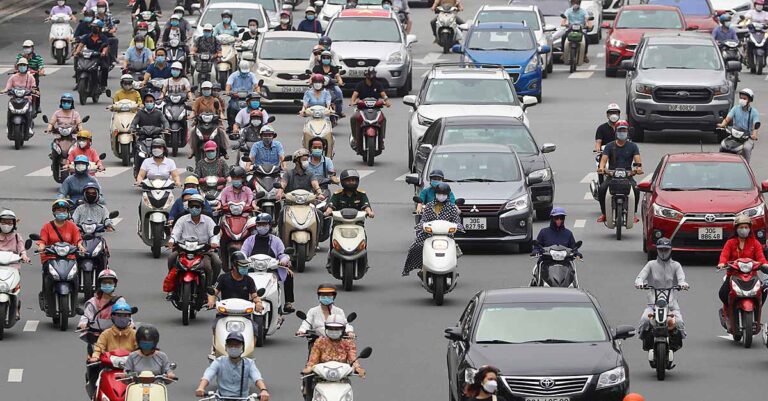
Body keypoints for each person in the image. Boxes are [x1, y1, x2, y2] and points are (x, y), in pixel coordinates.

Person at [634, 237, 688, 352]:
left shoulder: (676, 265)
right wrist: (639, 283)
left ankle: (676, 343)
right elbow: (640, 277)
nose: (663, 252)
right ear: (657, 250)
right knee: (644, 320)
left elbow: (681, 278)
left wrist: (682, 284)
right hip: (653, 305)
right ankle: (645, 341)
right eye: (661, 250)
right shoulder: (651, 264)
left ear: (670, 250)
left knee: (678, 323)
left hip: (671, 305)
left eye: (666, 250)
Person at [402, 183, 462, 276]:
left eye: (443, 194)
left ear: (447, 195)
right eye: (439, 193)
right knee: (415, 246)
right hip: (428, 234)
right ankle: (422, 267)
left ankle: (453, 267)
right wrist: (420, 226)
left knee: (454, 248)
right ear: (435, 194)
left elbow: (457, 221)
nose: (441, 196)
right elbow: (423, 220)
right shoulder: (429, 206)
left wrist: (457, 227)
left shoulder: (452, 208)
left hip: (446, 235)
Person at [207, 251, 265, 344]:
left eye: (245, 265)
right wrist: (211, 302)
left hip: (244, 314)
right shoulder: (223, 278)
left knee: (255, 329)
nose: (244, 268)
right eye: (242, 265)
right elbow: (213, 292)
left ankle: (249, 353)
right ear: (234, 266)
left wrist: (258, 303)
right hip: (225, 313)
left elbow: (255, 295)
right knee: (215, 326)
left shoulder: (249, 280)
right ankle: (215, 349)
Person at [166, 194, 221, 291]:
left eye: (197, 206)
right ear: (188, 207)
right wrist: (171, 241)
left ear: (202, 208)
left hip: (203, 251)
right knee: (171, 258)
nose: (194, 208)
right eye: (192, 206)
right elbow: (175, 233)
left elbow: (214, 234)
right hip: (183, 250)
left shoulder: (208, 220)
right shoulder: (182, 220)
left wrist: (214, 242)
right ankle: (173, 284)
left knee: (215, 263)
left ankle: (209, 286)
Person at [38, 200, 85, 313]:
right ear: (54, 212)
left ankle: (75, 302)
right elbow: (42, 240)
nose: (61, 213)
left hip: (69, 258)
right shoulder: (47, 227)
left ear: (68, 212)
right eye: (59, 210)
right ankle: (46, 298)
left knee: (74, 277)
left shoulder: (72, 226)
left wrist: (80, 246)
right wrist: (41, 246)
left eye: (64, 211)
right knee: (47, 277)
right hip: (51, 258)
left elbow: (78, 239)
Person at [240, 214, 295, 311]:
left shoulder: (276, 240)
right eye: (259, 224)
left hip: (271, 269)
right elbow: (243, 253)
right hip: (252, 269)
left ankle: (288, 303)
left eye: (264, 224)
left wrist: (283, 260)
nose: (261, 227)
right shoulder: (249, 240)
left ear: (269, 225)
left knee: (289, 273)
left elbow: (282, 254)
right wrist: (241, 259)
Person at [195, 332, 271, 400]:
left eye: (237, 345)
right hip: (222, 398)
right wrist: (201, 388)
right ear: (226, 347)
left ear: (242, 347)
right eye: (230, 345)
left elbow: (257, 378)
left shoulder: (249, 363)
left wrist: (263, 390)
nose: (233, 347)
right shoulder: (219, 362)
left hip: (243, 399)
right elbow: (208, 375)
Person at [302, 315, 364, 397]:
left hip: (342, 379)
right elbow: (313, 359)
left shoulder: (348, 343)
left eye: (337, 329)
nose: (334, 331)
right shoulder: (320, 342)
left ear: (343, 329)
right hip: (322, 378)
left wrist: (358, 368)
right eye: (331, 328)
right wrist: (309, 367)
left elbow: (353, 359)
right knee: (309, 387)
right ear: (326, 328)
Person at [596, 120, 642, 223]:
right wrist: (602, 168)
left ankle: (633, 214)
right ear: (616, 132)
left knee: (636, 189)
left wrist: (638, 169)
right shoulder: (609, 146)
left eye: (624, 130)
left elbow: (638, 161)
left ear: (627, 132)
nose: (622, 132)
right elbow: (603, 160)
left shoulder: (633, 146)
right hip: (612, 175)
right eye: (620, 130)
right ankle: (604, 213)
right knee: (602, 189)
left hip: (628, 175)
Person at [717, 215, 768, 306]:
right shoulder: (730, 242)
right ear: (736, 229)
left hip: (751, 276)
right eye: (741, 227)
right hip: (733, 275)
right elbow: (724, 255)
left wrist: (764, 264)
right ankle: (729, 313)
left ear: (749, 229)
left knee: (763, 291)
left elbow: (761, 257)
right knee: (723, 294)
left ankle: (756, 316)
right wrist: (722, 263)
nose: (744, 229)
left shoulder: (755, 243)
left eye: (746, 227)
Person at [348, 67, 389, 153]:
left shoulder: (378, 84)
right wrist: (352, 102)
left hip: (376, 109)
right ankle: (355, 139)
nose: (372, 76)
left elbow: (383, 94)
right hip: (362, 108)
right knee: (353, 118)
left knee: (383, 119)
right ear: (366, 75)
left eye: (373, 74)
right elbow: (354, 95)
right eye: (370, 74)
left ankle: (381, 140)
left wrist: (386, 101)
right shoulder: (360, 85)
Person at [718, 88, 760, 162]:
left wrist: (754, 134)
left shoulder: (754, 112)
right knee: (723, 145)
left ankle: (746, 167)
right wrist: (722, 124)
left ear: (749, 100)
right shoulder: (735, 108)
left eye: (744, 98)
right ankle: (720, 163)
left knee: (746, 148)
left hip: (747, 137)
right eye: (741, 98)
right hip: (734, 135)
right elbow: (727, 118)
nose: (742, 100)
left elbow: (755, 125)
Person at [2, 58, 38, 137]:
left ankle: (28, 127)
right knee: (10, 111)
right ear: (18, 67)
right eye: (21, 65)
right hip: (14, 99)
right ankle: (9, 126)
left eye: (24, 65)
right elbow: (7, 87)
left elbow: (34, 87)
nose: (22, 67)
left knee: (29, 112)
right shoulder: (13, 77)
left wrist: (34, 91)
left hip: (27, 99)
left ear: (27, 66)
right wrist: (3, 91)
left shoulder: (31, 77)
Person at [225, 61, 261, 132]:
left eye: (246, 72)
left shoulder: (252, 75)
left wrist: (258, 91)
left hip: (248, 98)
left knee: (258, 108)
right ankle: (231, 126)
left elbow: (256, 85)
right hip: (235, 98)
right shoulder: (233, 75)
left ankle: (260, 125)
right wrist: (228, 91)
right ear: (239, 69)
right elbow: (228, 85)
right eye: (243, 72)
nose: (244, 74)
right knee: (230, 108)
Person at [73, 20, 110, 88]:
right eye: (93, 27)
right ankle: (78, 83)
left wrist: (103, 53)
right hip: (88, 55)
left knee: (104, 68)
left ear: (100, 28)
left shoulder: (103, 37)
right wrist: (77, 52)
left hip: (99, 56)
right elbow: (81, 45)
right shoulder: (87, 37)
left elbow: (105, 47)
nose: (94, 28)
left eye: (96, 27)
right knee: (79, 67)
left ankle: (103, 85)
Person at [311, 51, 344, 116]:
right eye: (324, 58)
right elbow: (312, 76)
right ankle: (307, 110)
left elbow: (338, 76)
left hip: (331, 86)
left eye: (327, 58)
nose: (326, 59)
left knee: (339, 92)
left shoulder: (334, 68)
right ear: (321, 59)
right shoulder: (317, 68)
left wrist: (340, 82)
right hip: (319, 86)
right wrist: (310, 81)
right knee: (309, 92)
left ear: (330, 59)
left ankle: (339, 111)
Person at [94, 0, 119, 65]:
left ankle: (113, 58)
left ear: (105, 8)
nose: (101, 9)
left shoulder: (108, 16)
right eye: (99, 7)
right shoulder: (94, 16)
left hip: (106, 35)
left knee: (114, 40)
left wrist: (113, 29)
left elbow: (113, 26)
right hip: (95, 34)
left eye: (102, 7)